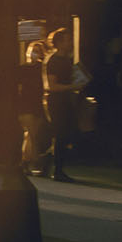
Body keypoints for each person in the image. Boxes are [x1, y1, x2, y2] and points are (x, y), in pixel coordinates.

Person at [41, 27, 83, 182]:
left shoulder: (67, 59)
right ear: (59, 42)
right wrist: (73, 87)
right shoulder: (53, 60)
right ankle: (57, 169)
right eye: (68, 39)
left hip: (66, 99)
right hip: (56, 101)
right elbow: (51, 86)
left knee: (66, 133)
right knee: (60, 134)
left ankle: (45, 160)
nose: (71, 42)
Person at [20, 40, 50, 174]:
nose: (34, 53)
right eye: (33, 50)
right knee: (32, 134)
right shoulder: (23, 68)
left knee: (31, 135)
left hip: (38, 103)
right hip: (26, 103)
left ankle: (25, 162)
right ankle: (37, 161)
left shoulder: (42, 68)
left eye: (38, 51)